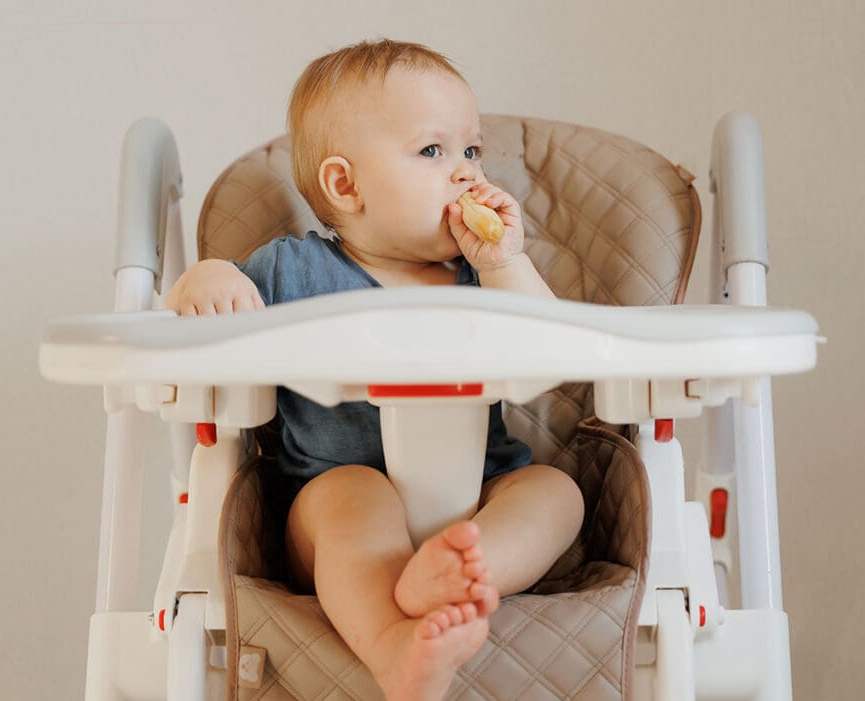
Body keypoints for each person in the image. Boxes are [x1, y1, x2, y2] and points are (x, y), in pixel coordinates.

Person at [166, 39, 585, 701]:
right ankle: (392, 642)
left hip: (479, 490)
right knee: (353, 496)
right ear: (345, 185)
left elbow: (557, 346)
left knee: (558, 494)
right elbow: (220, 304)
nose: (467, 173)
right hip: (331, 500)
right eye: (433, 151)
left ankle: (467, 570)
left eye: (472, 150)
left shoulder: (485, 275)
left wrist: (507, 262)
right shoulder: (295, 270)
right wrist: (205, 279)